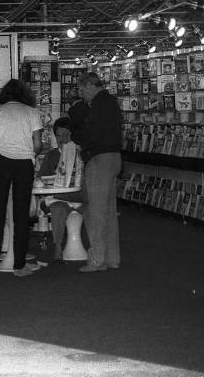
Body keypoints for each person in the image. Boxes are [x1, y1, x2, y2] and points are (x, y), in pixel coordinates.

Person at [0, 79, 43, 277]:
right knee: (21, 216)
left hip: (1, 163)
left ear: (5, 94)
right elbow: (38, 145)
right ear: (25, 94)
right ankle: (19, 266)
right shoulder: (32, 113)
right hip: (24, 164)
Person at [73, 72, 122, 272]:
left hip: (99, 159)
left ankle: (96, 260)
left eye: (82, 88)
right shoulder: (111, 102)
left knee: (97, 212)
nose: (81, 92)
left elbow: (91, 134)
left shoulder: (98, 105)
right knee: (109, 211)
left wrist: (77, 136)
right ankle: (112, 258)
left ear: (91, 85)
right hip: (114, 157)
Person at [36, 118, 88, 261]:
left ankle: (94, 246)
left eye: (67, 134)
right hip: (58, 197)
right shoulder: (51, 155)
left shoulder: (81, 153)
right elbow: (40, 179)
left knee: (92, 208)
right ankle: (57, 246)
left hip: (77, 196)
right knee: (58, 208)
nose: (63, 139)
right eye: (59, 135)